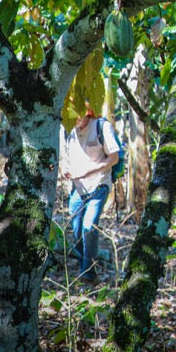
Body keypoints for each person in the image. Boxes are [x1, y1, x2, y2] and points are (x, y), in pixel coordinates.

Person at [60, 108, 120, 280]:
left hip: (99, 184)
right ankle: (85, 258)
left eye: (78, 116)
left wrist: (89, 171)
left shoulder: (102, 126)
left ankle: (88, 272)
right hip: (78, 187)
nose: (75, 120)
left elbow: (113, 158)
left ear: (88, 113)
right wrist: (65, 169)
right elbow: (64, 156)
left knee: (89, 226)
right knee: (76, 224)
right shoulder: (67, 128)